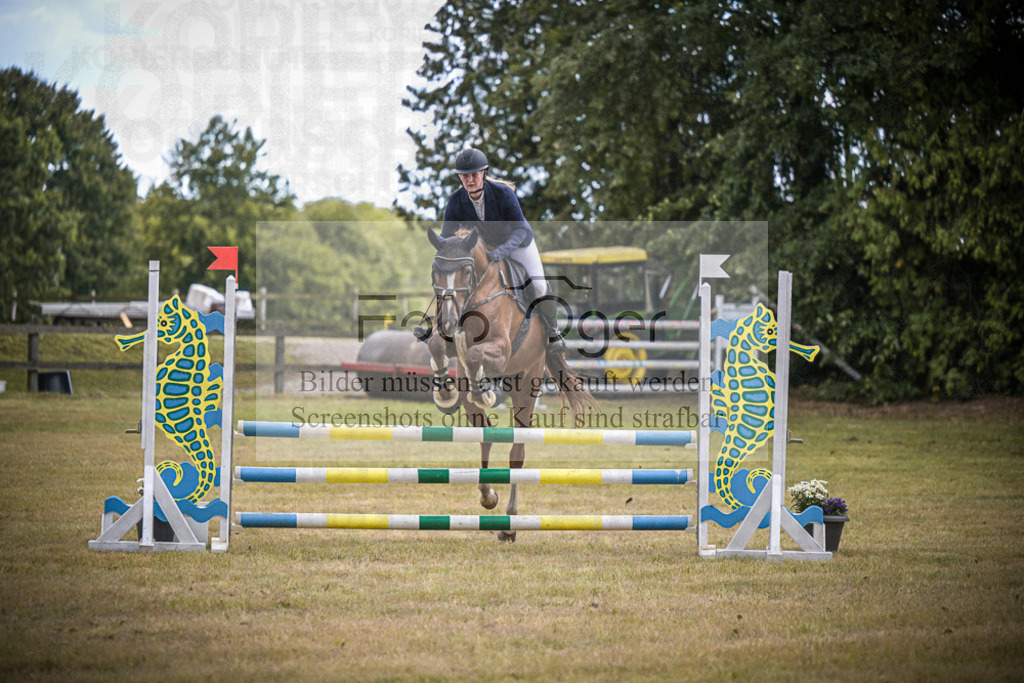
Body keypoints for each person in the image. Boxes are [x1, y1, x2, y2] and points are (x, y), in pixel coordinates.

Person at [437, 147, 564, 347]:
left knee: (538, 285)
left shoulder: (503, 193)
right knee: (455, 282)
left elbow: (521, 229)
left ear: (484, 173)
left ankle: (553, 331)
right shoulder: (455, 201)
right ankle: (447, 325)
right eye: (464, 176)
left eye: (474, 175)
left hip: (517, 243)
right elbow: (445, 238)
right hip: (483, 249)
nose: (469, 180)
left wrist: (503, 251)